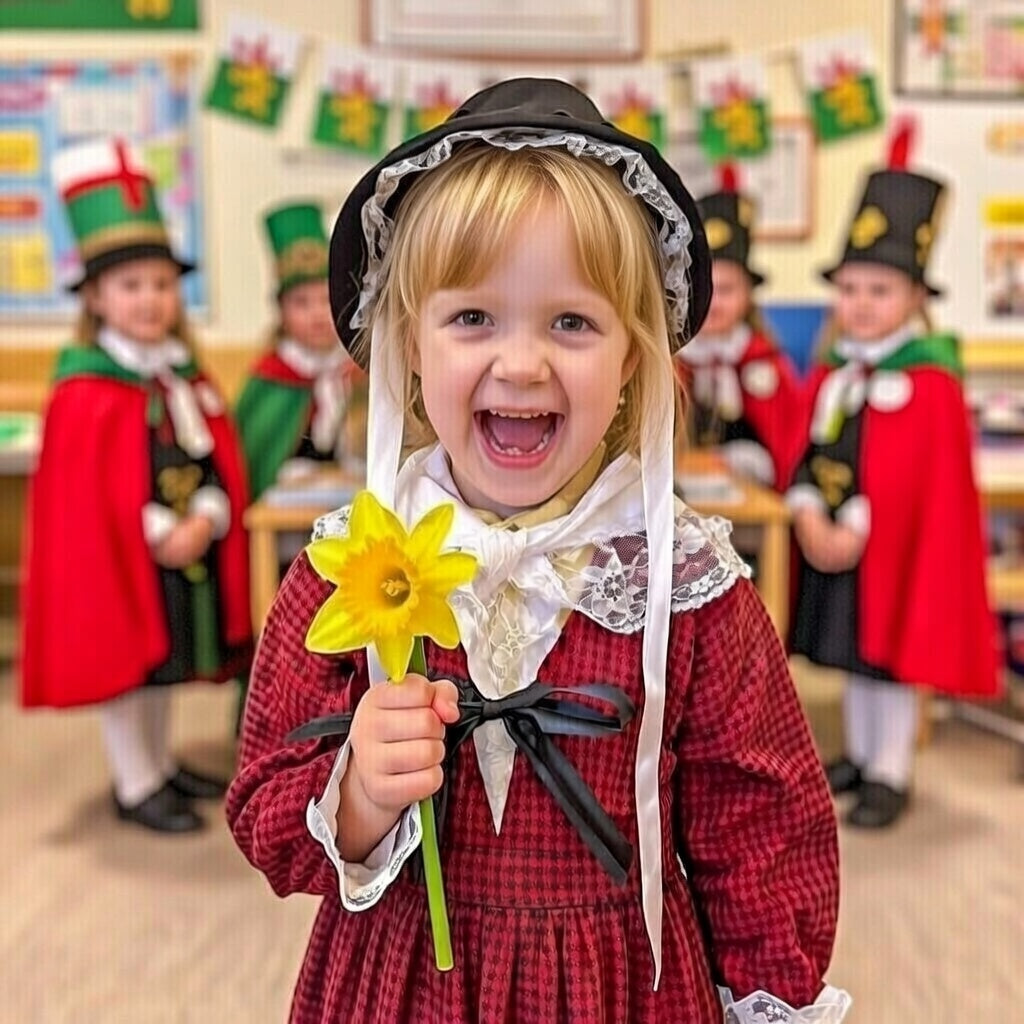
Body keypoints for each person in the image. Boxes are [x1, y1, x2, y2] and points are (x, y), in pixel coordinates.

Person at [227, 79, 849, 1023]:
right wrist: (356, 791)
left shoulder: (685, 584)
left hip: (620, 986)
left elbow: (765, 826)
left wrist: (771, 998)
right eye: (473, 318)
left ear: (635, 354)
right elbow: (266, 804)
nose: (521, 364)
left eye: (572, 322)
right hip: (400, 983)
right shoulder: (347, 564)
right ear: (408, 342)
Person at [20, 139, 252, 833]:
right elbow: (88, 502)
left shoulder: (182, 373)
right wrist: (158, 533)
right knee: (127, 663)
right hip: (126, 561)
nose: (150, 300)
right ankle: (134, 781)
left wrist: (207, 518)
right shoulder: (86, 388)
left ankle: (159, 763)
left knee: (169, 661)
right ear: (94, 296)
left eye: (161, 284)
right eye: (131, 287)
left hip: (188, 551)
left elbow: (215, 464)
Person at [787, 122, 1000, 829]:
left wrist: (860, 523)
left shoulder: (929, 380)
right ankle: (859, 753)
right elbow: (812, 450)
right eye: (849, 288)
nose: (862, 303)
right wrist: (812, 508)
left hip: (894, 558)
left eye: (879, 289)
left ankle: (891, 771)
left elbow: (921, 489)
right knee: (852, 656)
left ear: (914, 296)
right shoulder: (836, 370)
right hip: (841, 552)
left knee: (891, 658)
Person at [677, 166, 803, 489]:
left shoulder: (765, 361)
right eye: (706, 289)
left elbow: (787, 449)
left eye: (729, 290)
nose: (715, 303)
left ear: (748, 295)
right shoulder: (672, 360)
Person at [235, 202, 367, 501]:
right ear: (281, 311)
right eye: (301, 303)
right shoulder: (270, 378)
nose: (317, 314)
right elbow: (253, 463)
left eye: (325, 300)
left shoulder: (362, 370)